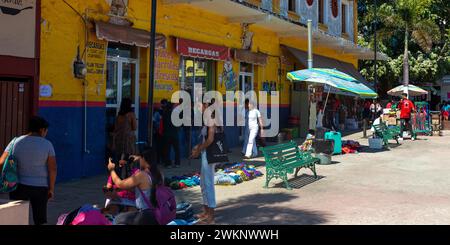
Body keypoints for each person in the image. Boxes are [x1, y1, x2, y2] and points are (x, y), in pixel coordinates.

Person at [0, 116, 57, 225]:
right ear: (41, 130)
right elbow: (53, 169)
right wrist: (51, 189)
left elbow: (1, 162)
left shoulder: (15, 141)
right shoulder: (47, 144)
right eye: (46, 131)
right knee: (40, 220)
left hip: (18, 187)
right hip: (40, 188)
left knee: (16, 219)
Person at [107, 149, 163, 225]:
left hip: (145, 215)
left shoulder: (141, 175)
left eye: (140, 159)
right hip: (157, 213)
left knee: (118, 219)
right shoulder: (159, 174)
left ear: (144, 159)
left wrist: (112, 170)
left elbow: (120, 184)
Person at [190, 101, 218, 224]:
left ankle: (211, 214)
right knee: (203, 183)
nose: (200, 107)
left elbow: (210, 139)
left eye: (202, 104)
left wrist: (199, 149)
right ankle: (206, 211)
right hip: (205, 154)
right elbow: (205, 138)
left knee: (208, 183)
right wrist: (198, 147)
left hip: (209, 155)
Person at [162, 102, 181, 168]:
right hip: (174, 134)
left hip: (167, 134)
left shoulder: (164, 114)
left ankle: (168, 164)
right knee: (177, 149)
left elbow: (163, 125)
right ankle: (177, 163)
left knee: (167, 149)